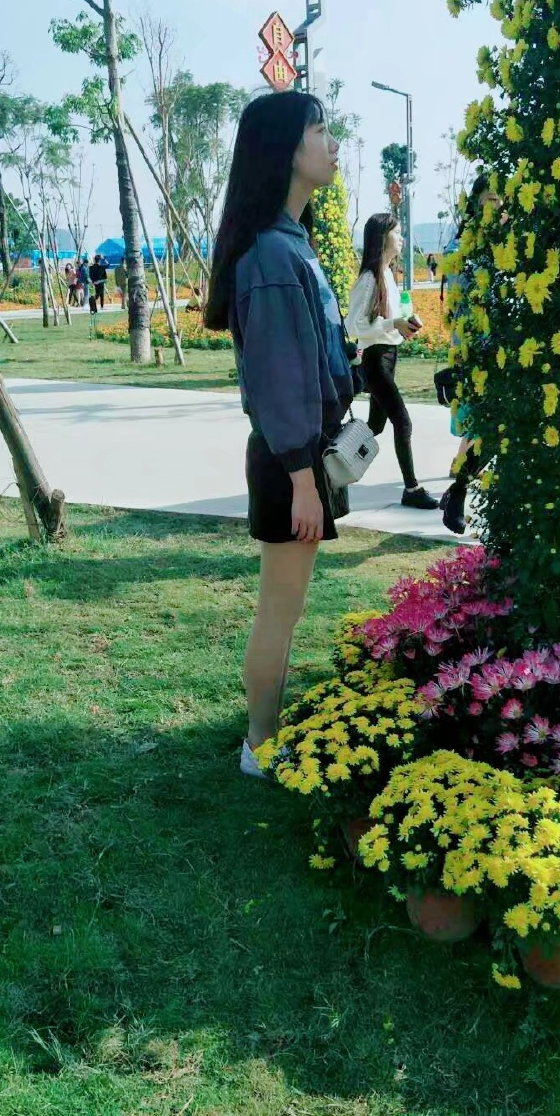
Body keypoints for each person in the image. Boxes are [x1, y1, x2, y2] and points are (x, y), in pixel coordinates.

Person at [204, 90, 353, 779]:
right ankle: (260, 746)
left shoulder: (289, 241)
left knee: (287, 609)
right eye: (320, 130)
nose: (332, 144)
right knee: (279, 610)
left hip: (302, 458)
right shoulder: (269, 252)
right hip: (289, 461)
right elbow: (278, 378)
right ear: (287, 150)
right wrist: (302, 481)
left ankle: (268, 737)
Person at [346, 213, 440, 510]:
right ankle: (411, 488)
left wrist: (404, 324)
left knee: (375, 426)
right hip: (374, 359)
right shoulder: (369, 278)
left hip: (388, 356)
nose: (401, 238)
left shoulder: (387, 273)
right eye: (397, 233)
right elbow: (354, 325)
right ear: (382, 237)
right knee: (402, 421)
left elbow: (387, 320)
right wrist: (392, 324)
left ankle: (330, 458)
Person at [440, 174, 500, 534]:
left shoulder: (506, 240)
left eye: (501, 199)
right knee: (483, 426)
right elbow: (466, 299)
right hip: (475, 349)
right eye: (490, 198)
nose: (498, 205)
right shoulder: (461, 248)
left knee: (489, 428)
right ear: (475, 203)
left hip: (505, 347)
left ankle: (457, 491)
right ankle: (458, 491)